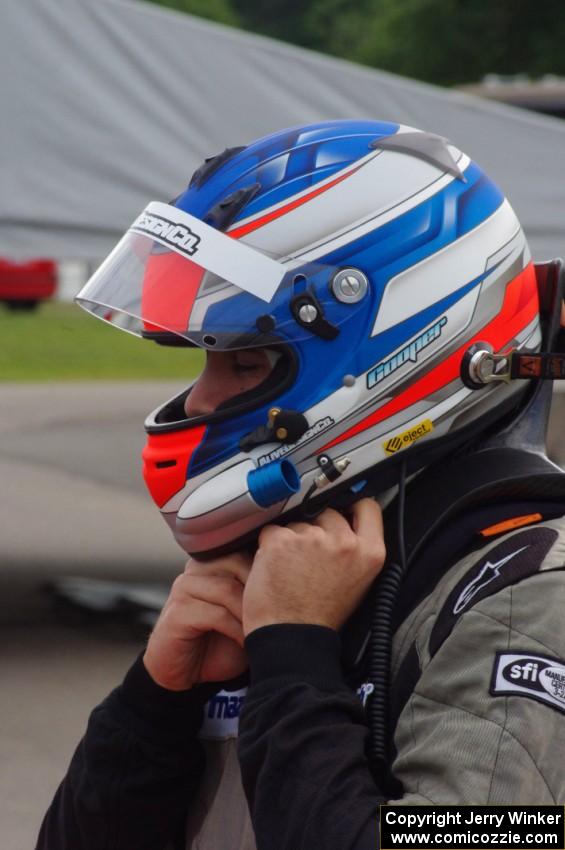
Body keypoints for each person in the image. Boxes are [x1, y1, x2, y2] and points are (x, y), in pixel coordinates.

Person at [37, 120, 565, 850]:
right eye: (205, 361)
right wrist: (153, 704)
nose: (197, 402)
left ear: (403, 347)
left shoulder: (530, 593)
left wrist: (294, 663)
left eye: (245, 364)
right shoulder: (291, 567)